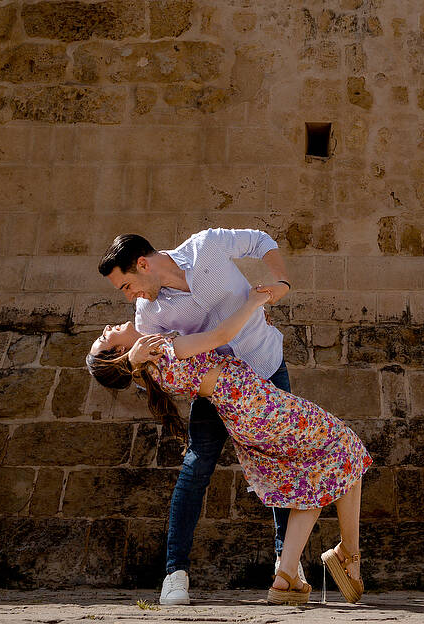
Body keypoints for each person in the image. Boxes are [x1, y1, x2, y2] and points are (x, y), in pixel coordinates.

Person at [87, 289, 370, 605]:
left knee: (313, 470)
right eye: (105, 339)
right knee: (344, 444)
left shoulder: (151, 372)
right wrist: (253, 302)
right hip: (261, 407)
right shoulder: (164, 351)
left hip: (247, 417)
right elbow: (223, 334)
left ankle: (286, 577)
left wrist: (131, 358)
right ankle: (347, 555)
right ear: (117, 353)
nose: (107, 329)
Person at [93, 229, 294, 605]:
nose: (128, 295)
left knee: (280, 465)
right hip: (216, 390)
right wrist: (135, 364)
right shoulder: (148, 314)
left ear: (142, 264)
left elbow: (262, 241)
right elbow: (156, 377)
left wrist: (280, 280)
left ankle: (288, 565)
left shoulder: (208, 246)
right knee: (197, 466)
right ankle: (175, 574)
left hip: (266, 367)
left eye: (126, 286)